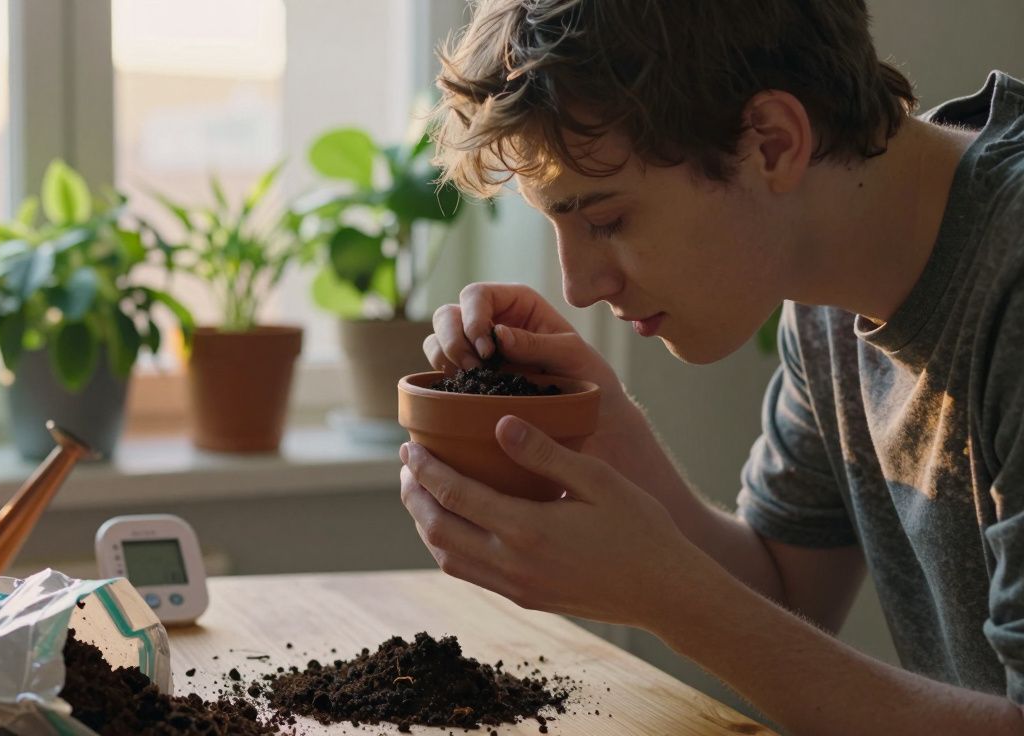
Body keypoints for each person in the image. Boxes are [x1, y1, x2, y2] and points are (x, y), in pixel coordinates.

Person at [397, 0, 1024, 732]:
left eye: (606, 220)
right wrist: (610, 433)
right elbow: (784, 592)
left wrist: (666, 597)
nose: (579, 287)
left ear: (772, 144)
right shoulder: (822, 280)